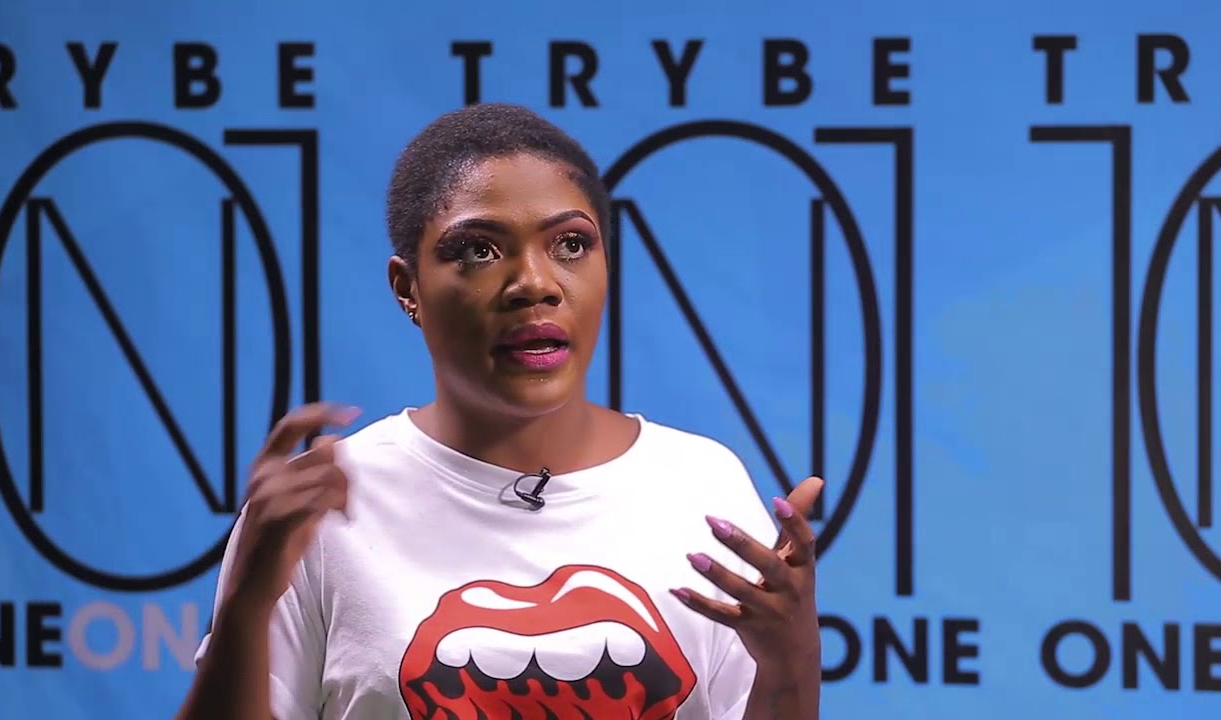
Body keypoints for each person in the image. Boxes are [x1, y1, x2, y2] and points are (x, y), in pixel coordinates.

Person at [175, 103, 823, 720]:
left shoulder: (703, 487)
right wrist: (246, 605)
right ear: (408, 287)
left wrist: (790, 658)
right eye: (478, 250)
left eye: (570, 244)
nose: (534, 283)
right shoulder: (324, 505)